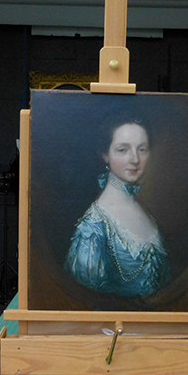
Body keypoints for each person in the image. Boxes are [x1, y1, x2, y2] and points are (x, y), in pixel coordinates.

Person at [64, 117, 170, 298]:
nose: (135, 159)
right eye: (123, 150)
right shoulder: (93, 227)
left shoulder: (145, 212)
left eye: (142, 149)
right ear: (106, 154)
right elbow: (85, 297)